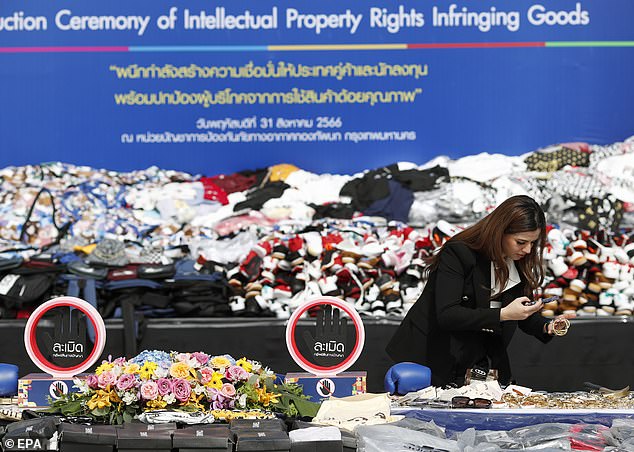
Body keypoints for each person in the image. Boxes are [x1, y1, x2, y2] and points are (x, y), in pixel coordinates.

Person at [386, 195, 569, 387]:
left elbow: (522, 311)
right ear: (500, 232)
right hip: (434, 355)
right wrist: (502, 314)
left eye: (533, 243)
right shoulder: (458, 254)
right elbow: (448, 314)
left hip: (479, 360)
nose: (528, 250)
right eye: (521, 242)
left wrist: (547, 326)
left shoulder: (517, 262)